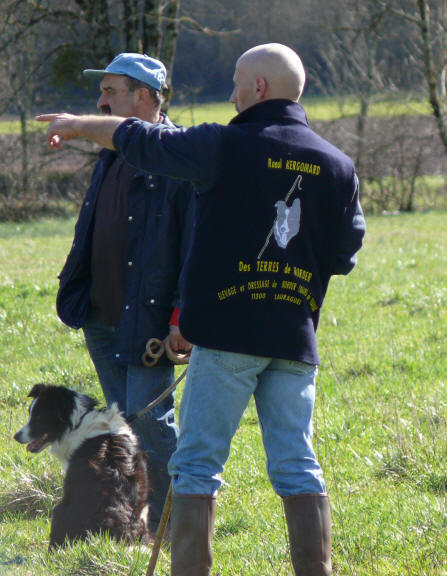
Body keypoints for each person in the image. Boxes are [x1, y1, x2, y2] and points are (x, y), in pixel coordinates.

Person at [38, 43, 366, 576]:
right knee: (299, 466)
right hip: (294, 339)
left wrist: (77, 124)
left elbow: (141, 141)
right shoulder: (339, 165)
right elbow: (345, 254)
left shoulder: (222, 145)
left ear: (258, 88)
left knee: (195, 467)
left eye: (237, 83)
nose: (232, 94)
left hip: (227, 337)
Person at [53, 53, 194, 536]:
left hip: (149, 321)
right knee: (128, 425)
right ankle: (143, 521)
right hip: (100, 314)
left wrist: (181, 316)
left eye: (110, 91)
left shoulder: (177, 154)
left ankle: (176, 526)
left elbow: (193, 245)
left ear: (144, 96)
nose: (100, 101)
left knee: (151, 424)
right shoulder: (112, 152)